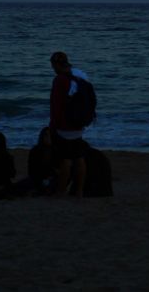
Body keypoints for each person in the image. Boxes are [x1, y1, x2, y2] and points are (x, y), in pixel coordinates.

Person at [49, 51, 96, 197]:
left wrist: (53, 124)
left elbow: (56, 105)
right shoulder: (79, 76)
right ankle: (79, 191)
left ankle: (61, 191)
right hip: (79, 124)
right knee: (79, 158)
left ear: (56, 64)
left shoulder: (60, 80)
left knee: (66, 160)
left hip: (65, 125)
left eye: (53, 65)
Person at [26, 126, 58, 195]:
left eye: (50, 135)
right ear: (42, 137)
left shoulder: (55, 151)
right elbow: (31, 170)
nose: (48, 138)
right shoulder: (35, 151)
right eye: (46, 135)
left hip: (50, 178)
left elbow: (57, 169)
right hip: (37, 178)